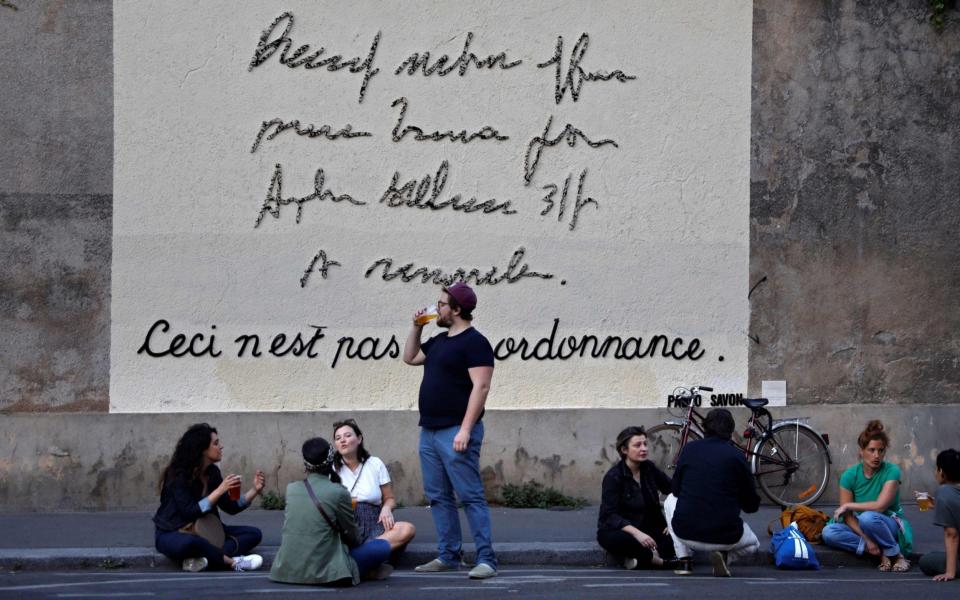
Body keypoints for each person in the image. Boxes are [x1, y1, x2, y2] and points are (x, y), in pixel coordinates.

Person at [402, 282, 498, 579]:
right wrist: (416, 327)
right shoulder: (440, 341)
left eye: (442, 304)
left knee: (470, 496)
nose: (437, 308)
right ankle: (448, 555)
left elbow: (481, 387)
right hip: (429, 430)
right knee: (438, 496)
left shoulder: (475, 342)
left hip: (456, 430)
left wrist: (466, 430)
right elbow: (409, 357)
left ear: (457, 310)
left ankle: (486, 559)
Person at [270, 437, 412, 586]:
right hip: (325, 571)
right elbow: (352, 536)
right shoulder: (338, 492)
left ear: (306, 463)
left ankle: (367, 570)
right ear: (331, 459)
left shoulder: (291, 489)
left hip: (286, 570)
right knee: (381, 547)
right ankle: (364, 571)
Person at [153, 423, 265, 572]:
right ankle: (231, 562)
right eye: (216, 443)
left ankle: (204, 560)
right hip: (174, 532)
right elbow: (189, 512)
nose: (221, 447)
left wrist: (255, 490)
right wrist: (219, 491)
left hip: (209, 531)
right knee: (191, 543)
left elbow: (230, 507)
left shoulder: (212, 473)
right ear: (202, 449)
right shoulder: (178, 475)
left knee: (254, 534)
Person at [664, 408, 761, 577]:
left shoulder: (689, 449)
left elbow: (676, 490)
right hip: (727, 537)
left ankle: (684, 560)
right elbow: (751, 506)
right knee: (753, 545)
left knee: (669, 500)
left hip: (686, 533)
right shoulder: (737, 457)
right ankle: (725, 558)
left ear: (705, 428)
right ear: (730, 431)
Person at [822, 420, 913, 572]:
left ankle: (897, 555)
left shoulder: (892, 471)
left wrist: (848, 505)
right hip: (861, 525)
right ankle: (877, 551)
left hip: (885, 523)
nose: (876, 455)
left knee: (868, 518)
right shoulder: (849, 476)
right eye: (871, 450)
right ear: (861, 451)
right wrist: (867, 540)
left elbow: (880, 506)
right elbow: (849, 517)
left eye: (881, 450)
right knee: (829, 532)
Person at [597, 426, 678, 570]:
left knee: (677, 536)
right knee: (612, 538)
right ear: (624, 450)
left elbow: (673, 490)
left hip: (651, 529)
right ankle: (659, 562)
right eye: (637, 445)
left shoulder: (649, 468)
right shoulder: (613, 477)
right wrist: (638, 534)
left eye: (645, 444)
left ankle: (638, 559)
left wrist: (672, 520)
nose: (644, 448)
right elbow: (609, 515)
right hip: (625, 530)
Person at [332, 418, 416, 547]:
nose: (342, 440)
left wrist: (387, 508)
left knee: (407, 529)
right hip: (345, 524)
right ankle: (371, 554)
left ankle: (364, 553)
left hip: (374, 522)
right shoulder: (332, 469)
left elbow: (389, 498)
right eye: (338, 438)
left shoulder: (375, 463)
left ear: (359, 439)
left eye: (347, 436)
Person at [918, 448, 960, 581]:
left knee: (926, 561)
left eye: (936, 469)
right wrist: (937, 505)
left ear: (941, 472)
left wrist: (950, 572)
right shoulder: (950, 494)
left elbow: (951, 534)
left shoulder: (944, 492)